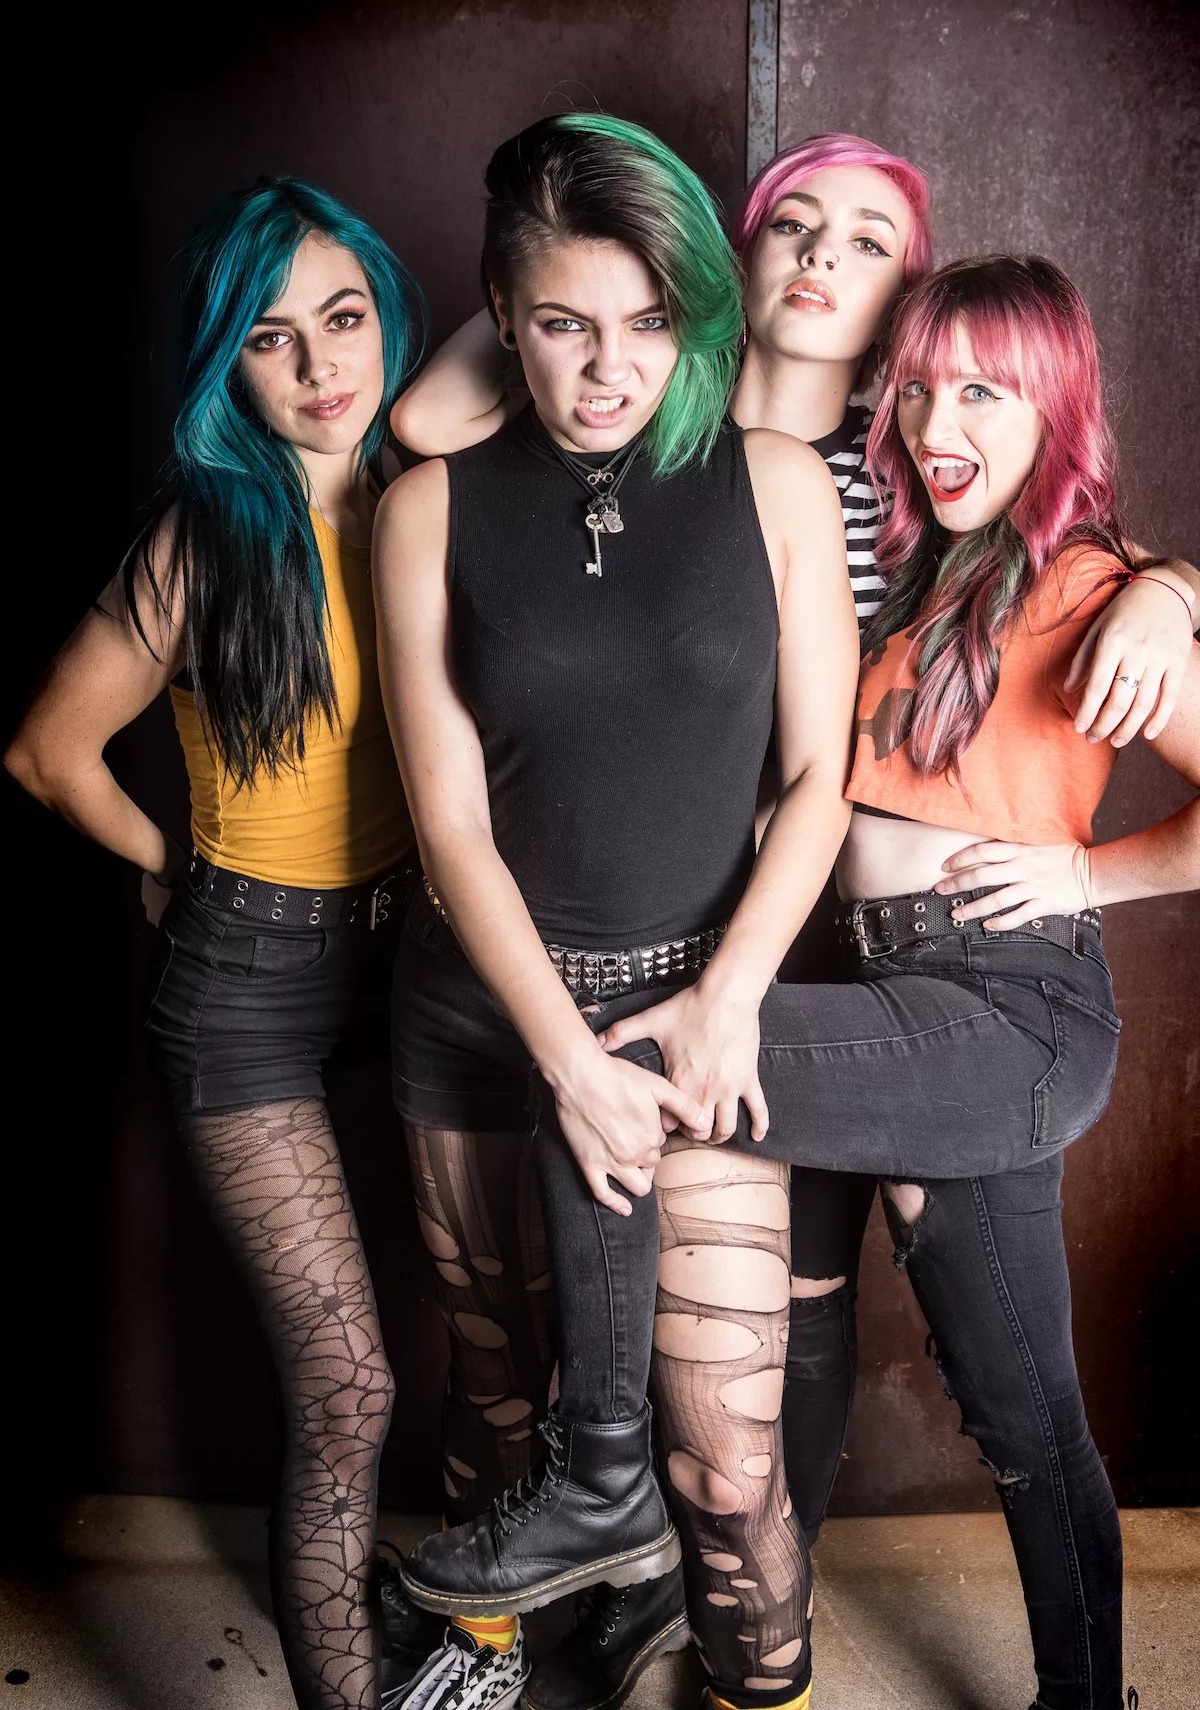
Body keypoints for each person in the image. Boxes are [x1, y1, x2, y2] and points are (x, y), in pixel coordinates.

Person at [390, 132, 1198, 1710]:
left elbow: (1073, 599)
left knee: (633, 1079)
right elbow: (442, 421)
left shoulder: (1084, 579)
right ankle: (746, 1605)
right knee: (983, 1391)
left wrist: (1158, 632)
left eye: (990, 396)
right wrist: (555, 263)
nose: (945, 424)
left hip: (992, 997)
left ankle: (608, 1490)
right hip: (866, 980)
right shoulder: (914, 546)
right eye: (929, 393)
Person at [373, 108, 859, 1710]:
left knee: (722, 1453)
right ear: (500, 316)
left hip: (697, 1008)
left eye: (649, 324)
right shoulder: (430, 508)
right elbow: (448, 821)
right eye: (564, 324)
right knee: (498, 1394)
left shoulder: (775, 484)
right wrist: (563, 1060)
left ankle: (731, 1668)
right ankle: (496, 1668)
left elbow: (821, 779)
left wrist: (727, 999)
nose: (609, 370)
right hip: (485, 1011)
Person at [4, 178, 425, 1710]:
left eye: (344, 316)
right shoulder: (205, 538)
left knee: (489, 1338)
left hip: (420, 959)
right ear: (224, 363)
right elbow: (47, 751)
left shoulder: (435, 496)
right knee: (350, 1384)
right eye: (269, 335)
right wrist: (176, 867)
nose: (319, 364)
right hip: (247, 982)